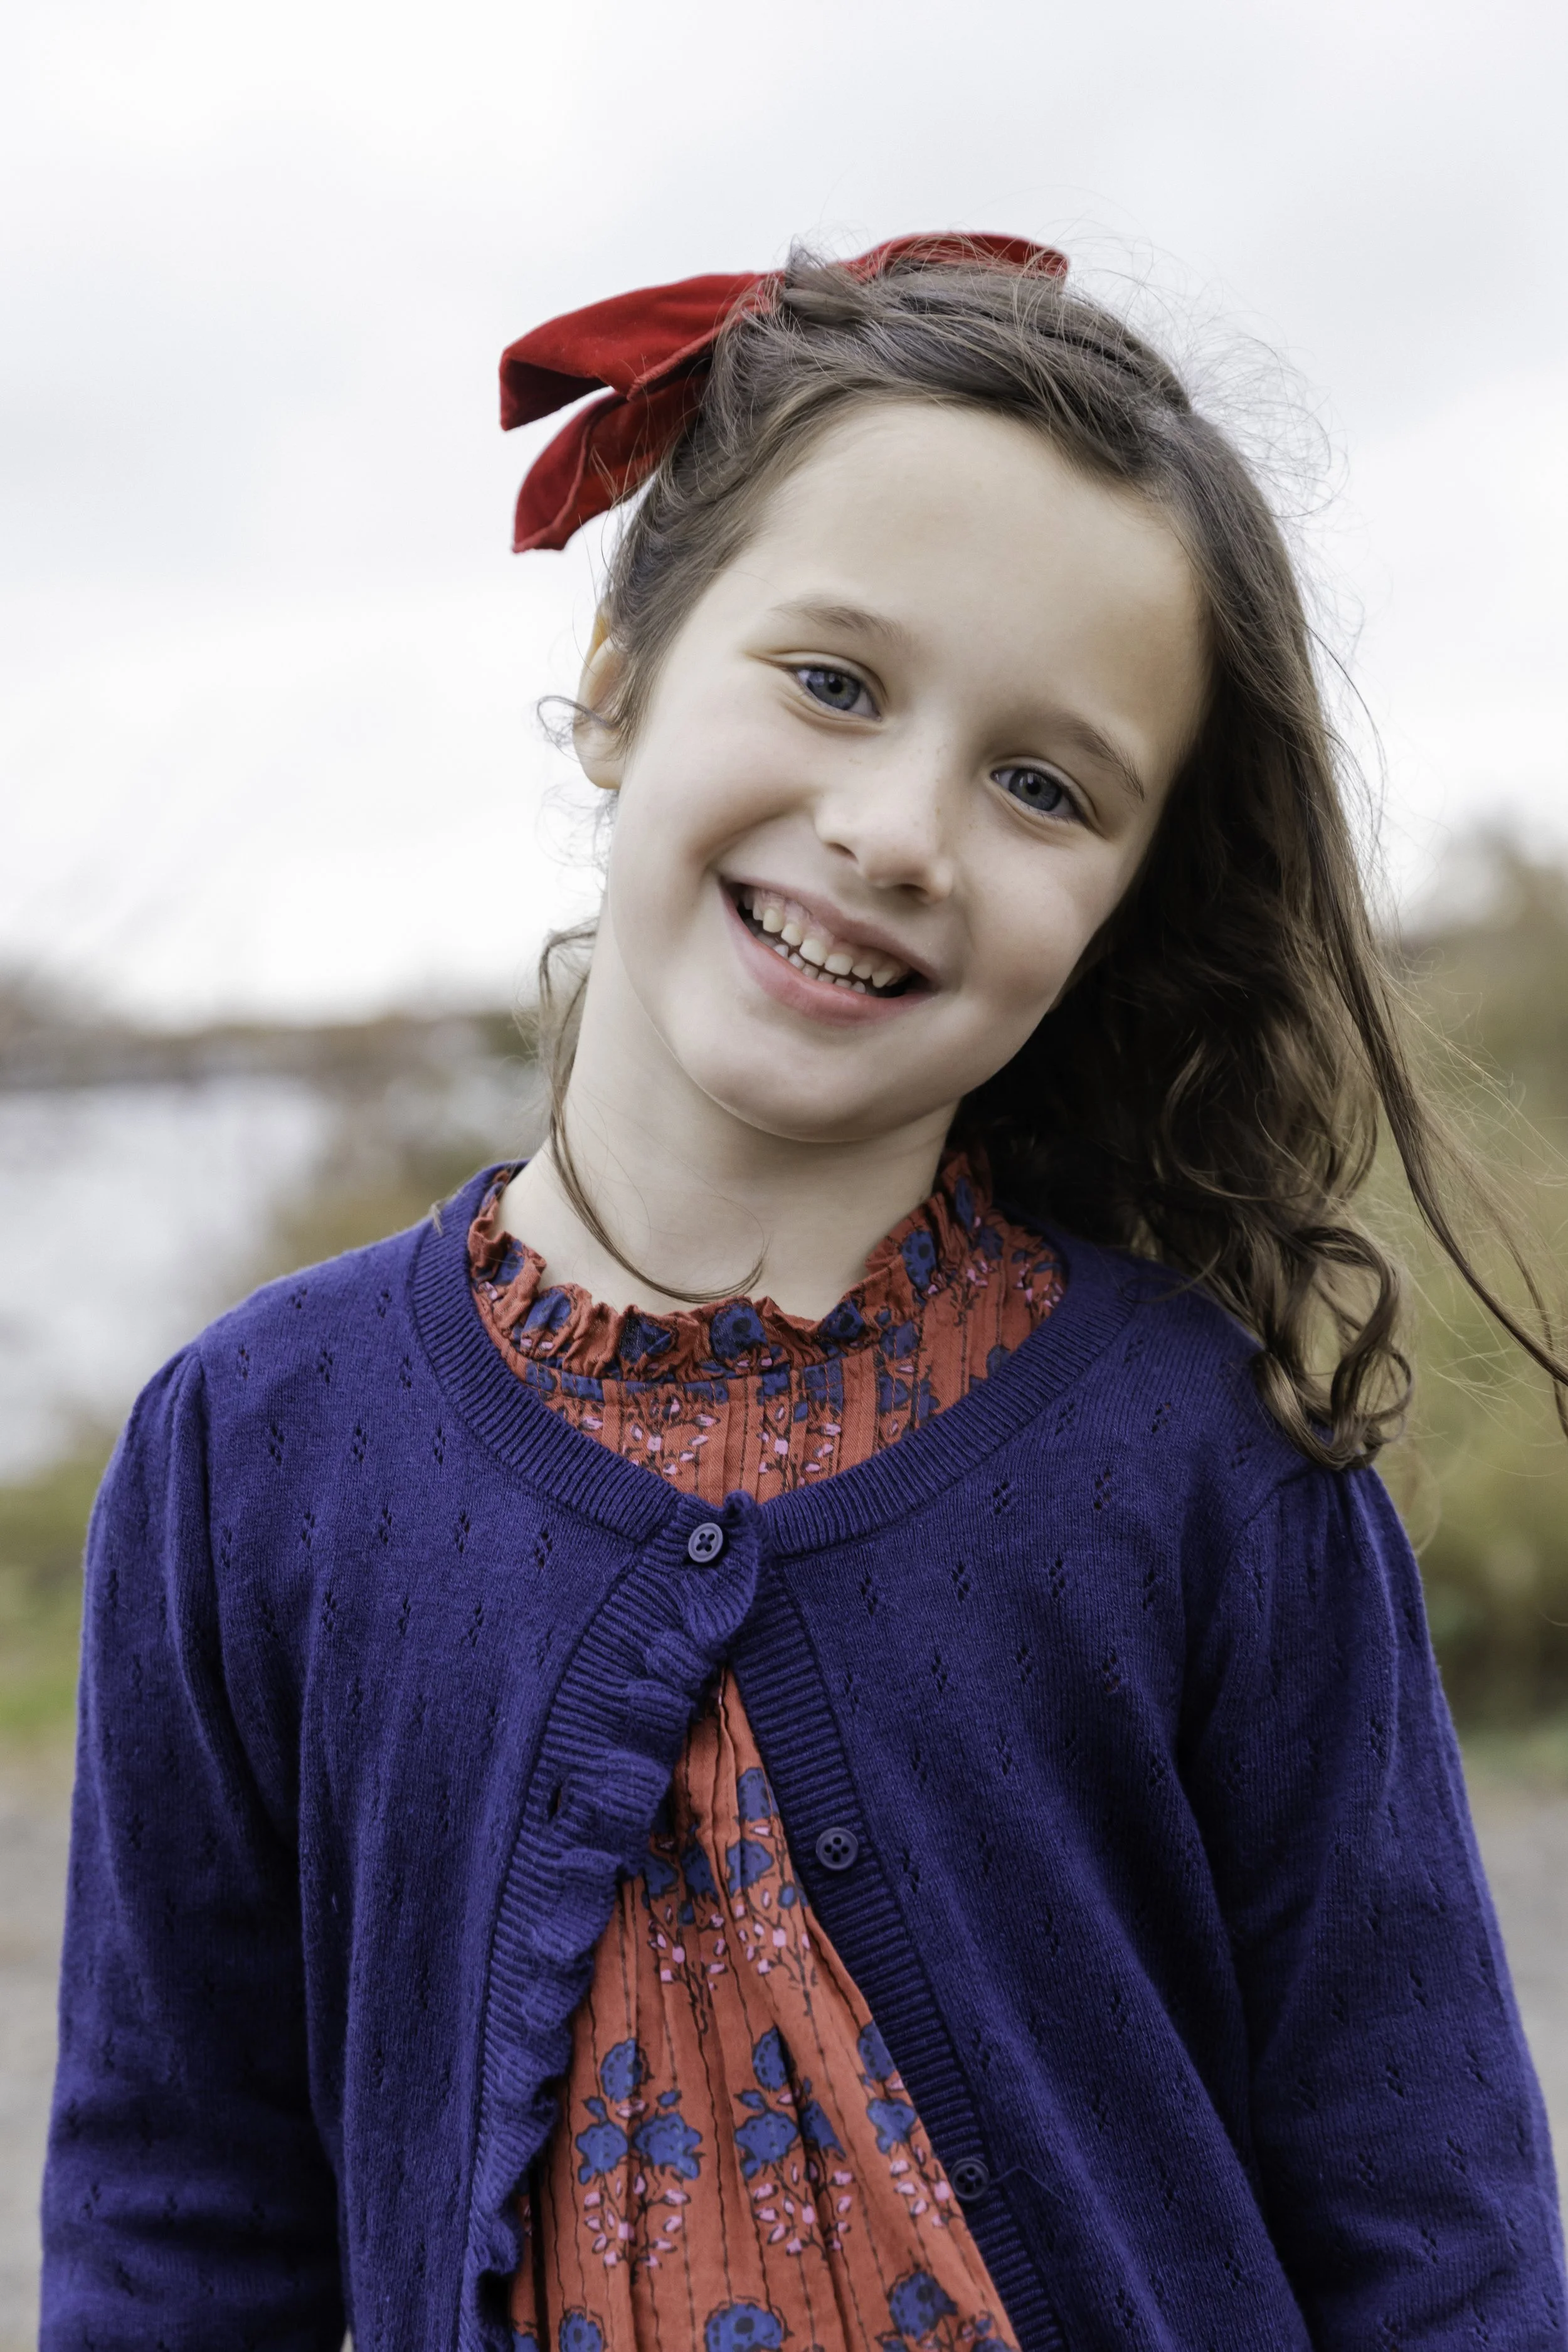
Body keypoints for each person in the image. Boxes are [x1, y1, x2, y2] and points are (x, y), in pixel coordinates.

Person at [41, 235, 1568, 2352]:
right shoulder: (249, 1453)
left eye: (1043, 785)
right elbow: (178, 2218)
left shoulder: (1213, 1464)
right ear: (616, 679)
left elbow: (1438, 2231)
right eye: (834, 681)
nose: (898, 830)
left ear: (1122, 902)